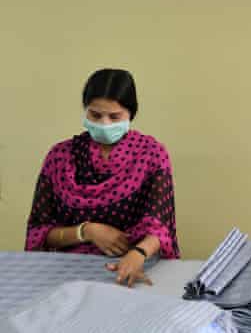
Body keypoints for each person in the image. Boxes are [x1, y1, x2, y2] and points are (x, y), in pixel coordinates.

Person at [25, 69, 180, 287]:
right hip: (68, 271)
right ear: (85, 111)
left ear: (131, 114)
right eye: (95, 115)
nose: (104, 124)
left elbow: (159, 226)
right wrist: (87, 231)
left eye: (114, 116)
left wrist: (138, 254)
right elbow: (39, 232)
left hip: (135, 264)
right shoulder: (60, 156)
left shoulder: (151, 154)